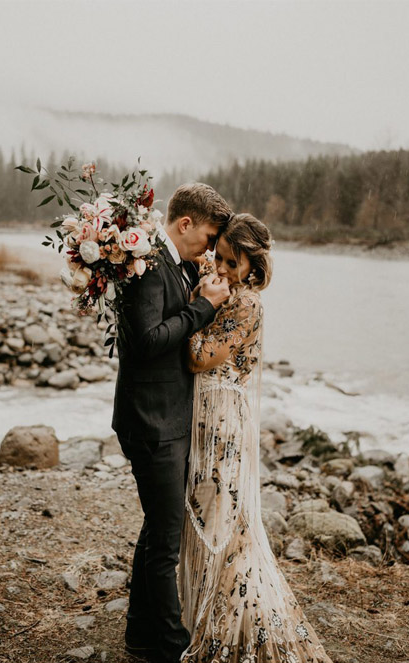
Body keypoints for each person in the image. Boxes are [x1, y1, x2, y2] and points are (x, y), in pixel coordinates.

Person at [180, 214, 332, 662]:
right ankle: (200, 615)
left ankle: (233, 626)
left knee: (225, 524)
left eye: (232, 261)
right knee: (208, 516)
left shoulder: (245, 304)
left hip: (225, 420)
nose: (222, 268)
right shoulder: (225, 290)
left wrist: (192, 308)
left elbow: (199, 356)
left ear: (254, 264)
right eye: (220, 257)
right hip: (206, 417)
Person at [112, 183, 233, 663]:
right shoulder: (147, 266)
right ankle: (169, 647)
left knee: (158, 529)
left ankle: (140, 634)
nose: (209, 247)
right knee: (166, 540)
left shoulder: (174, 264)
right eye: (207, 236)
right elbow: (145, 341)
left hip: (163, 417)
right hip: (152, 421)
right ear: (185, 224)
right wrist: (204, 307)